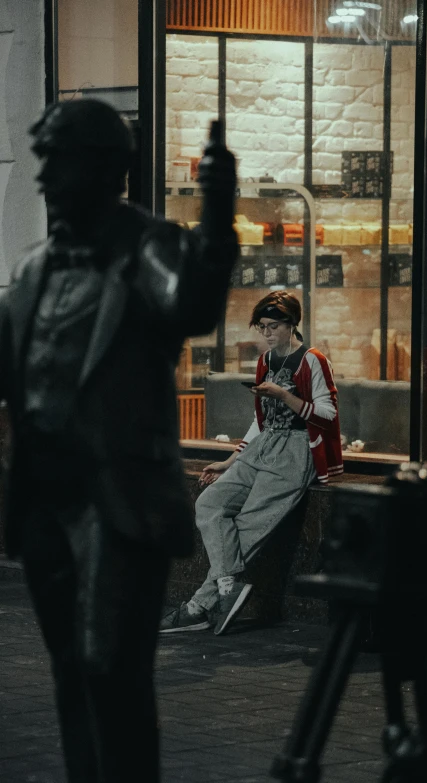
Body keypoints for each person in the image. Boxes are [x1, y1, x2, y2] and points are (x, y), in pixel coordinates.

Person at [0, 99, 237, 783]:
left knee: (112, 668)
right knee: (72, 669)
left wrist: (216, 215)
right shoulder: (34, 265)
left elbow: (192, 302)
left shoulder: (147, 245)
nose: (41, 176)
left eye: (55, 160)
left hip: (116, 499)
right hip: (45, 499)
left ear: (104, 168)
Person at [160, 291, 343, 636]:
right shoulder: (265, 362)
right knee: (209, 502)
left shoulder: (312, 360)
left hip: (296, 449)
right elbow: (261, 421)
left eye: (273, 326)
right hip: (263, 445)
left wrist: (285, 395)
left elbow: (329, 414)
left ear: (292, 324)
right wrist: (231, 460)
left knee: (247, 526)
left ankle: (201, 604)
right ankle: (228, 589)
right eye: (262, 328)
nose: (268, 334)